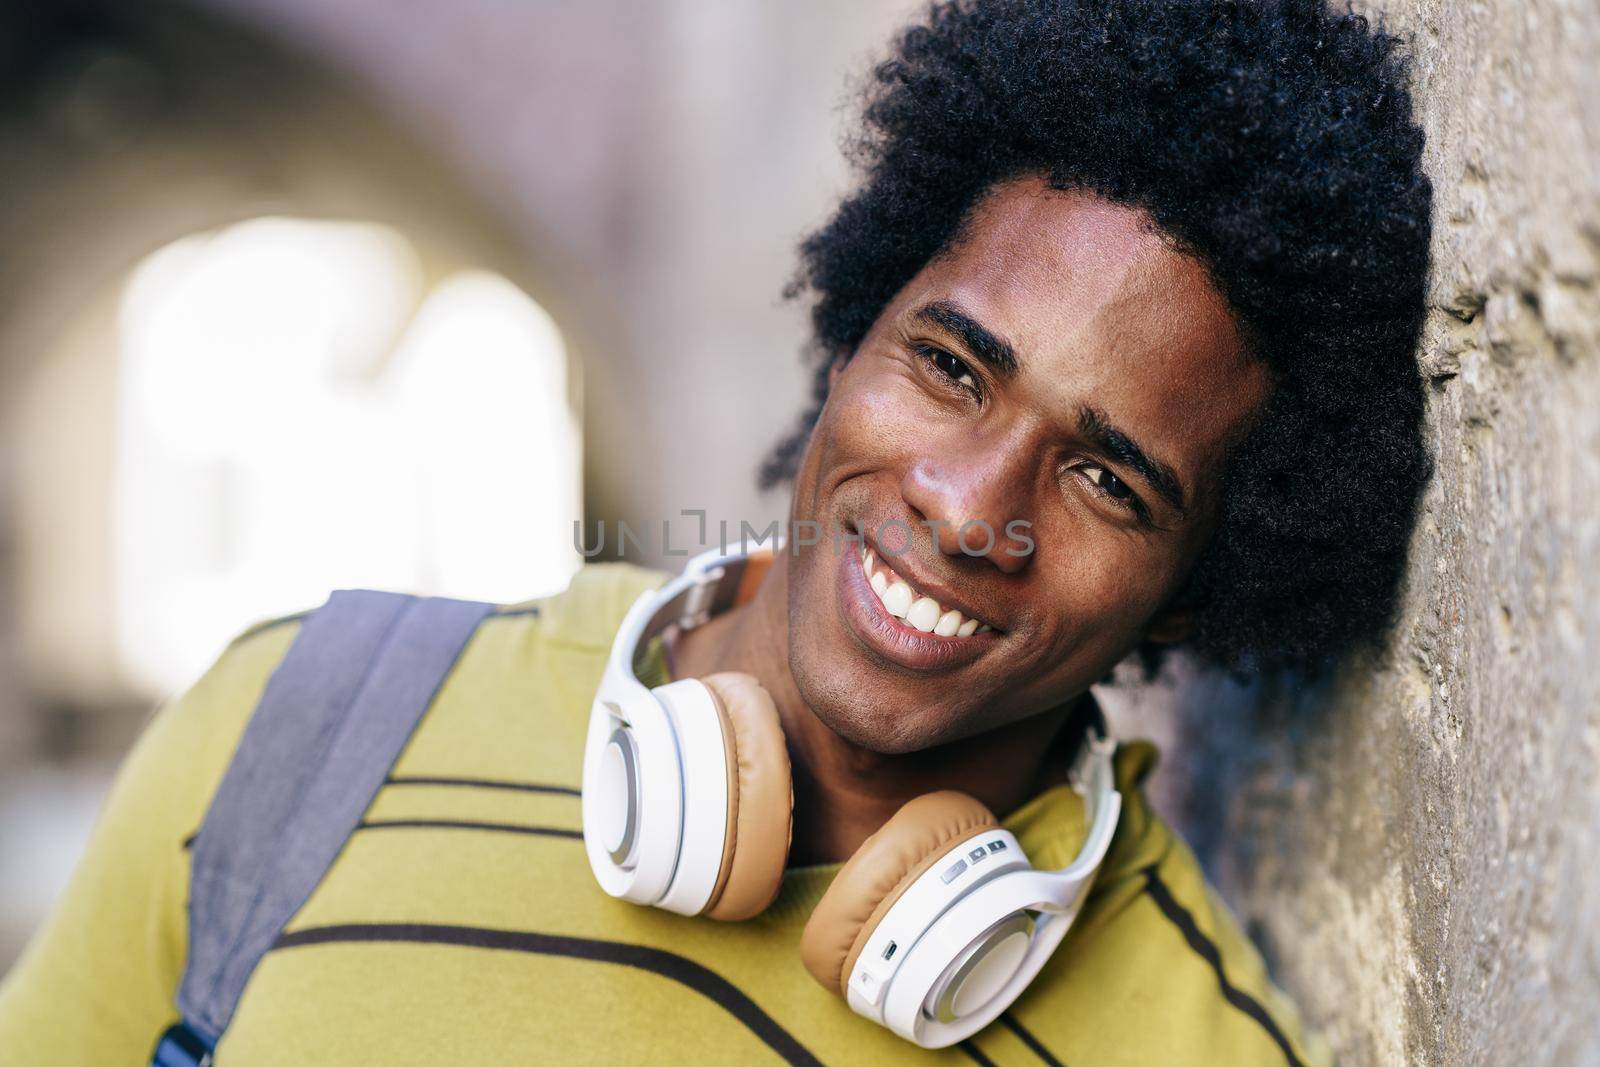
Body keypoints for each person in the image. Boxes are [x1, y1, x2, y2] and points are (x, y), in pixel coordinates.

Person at [0, 0, 1432, 1063]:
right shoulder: (296, 730)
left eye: (1110, 480)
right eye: (951, 367)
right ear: (853, 330)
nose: (965, 504)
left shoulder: (1195, 1047)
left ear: (1194, 591)